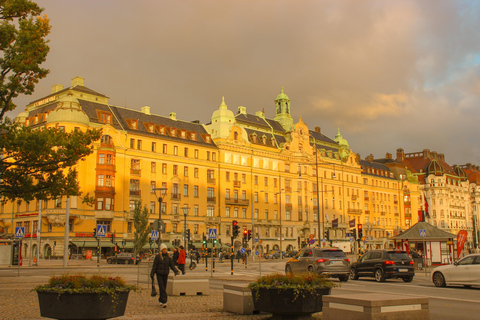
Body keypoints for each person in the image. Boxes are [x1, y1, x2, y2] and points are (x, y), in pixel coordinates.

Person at [150, 243, 179, 308]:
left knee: (163, 287)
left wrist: (175, 271)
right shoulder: (158, 257)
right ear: (161, 250)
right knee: (162, 287)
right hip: (159, 274)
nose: (165, 250)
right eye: (163, 249)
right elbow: (154, 266)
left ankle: (160, 300)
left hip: (165, 274)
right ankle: (164, 301)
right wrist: (152, 273)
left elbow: (171, 265)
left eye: (165, 249)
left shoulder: (168, 257)